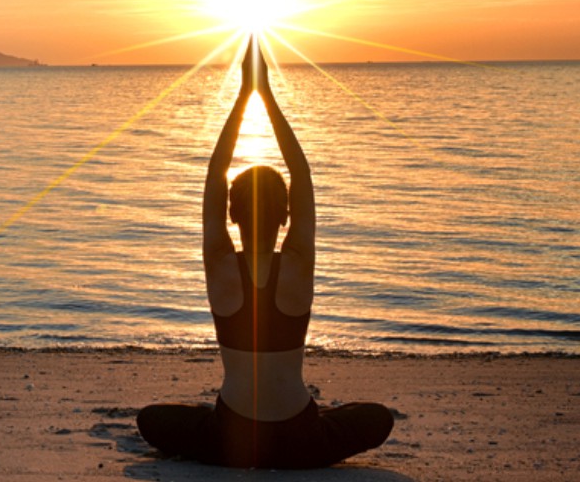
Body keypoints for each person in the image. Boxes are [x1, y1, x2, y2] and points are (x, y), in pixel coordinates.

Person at [136, 37, 393, 469]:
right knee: (378, 418)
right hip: (301, 438)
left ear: (232, 216)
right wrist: (267, 95)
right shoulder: (298, 262)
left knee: (151, 420)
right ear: (287, 216)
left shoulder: (219, 262)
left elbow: (216, 172)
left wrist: (242, 96)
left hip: (231, 437)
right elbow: (301, 171)